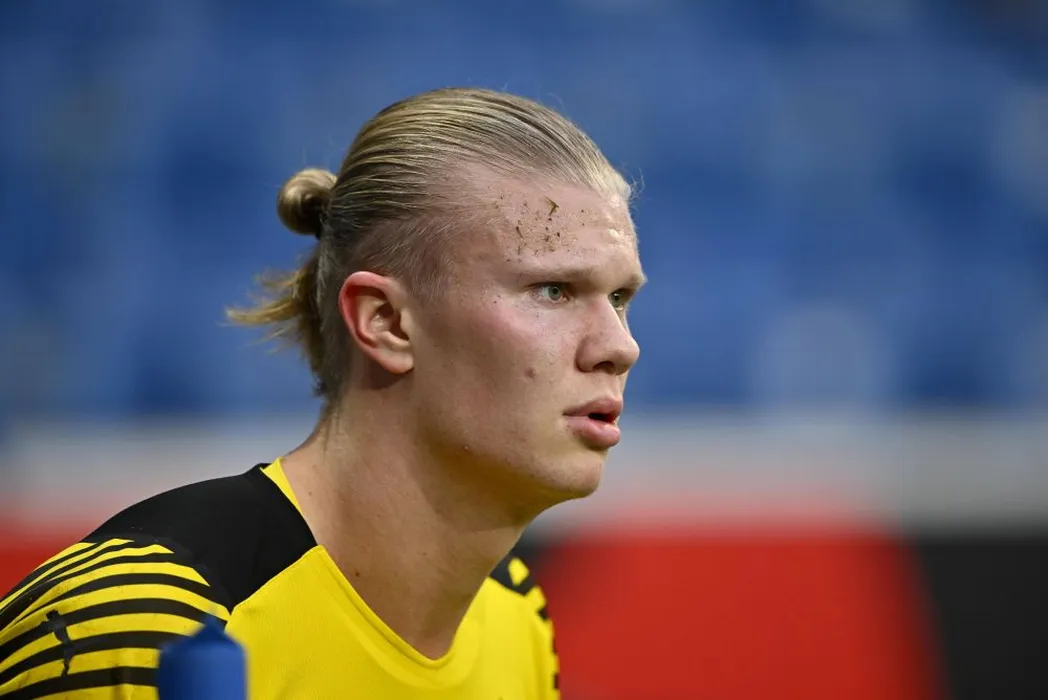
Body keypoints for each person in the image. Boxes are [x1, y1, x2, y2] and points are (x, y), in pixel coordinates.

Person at [0, 86, 645, 699]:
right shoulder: (135, 625)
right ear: (385, 322)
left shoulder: (516, 615)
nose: (620, 346)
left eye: (619, 298)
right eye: (553, 291)